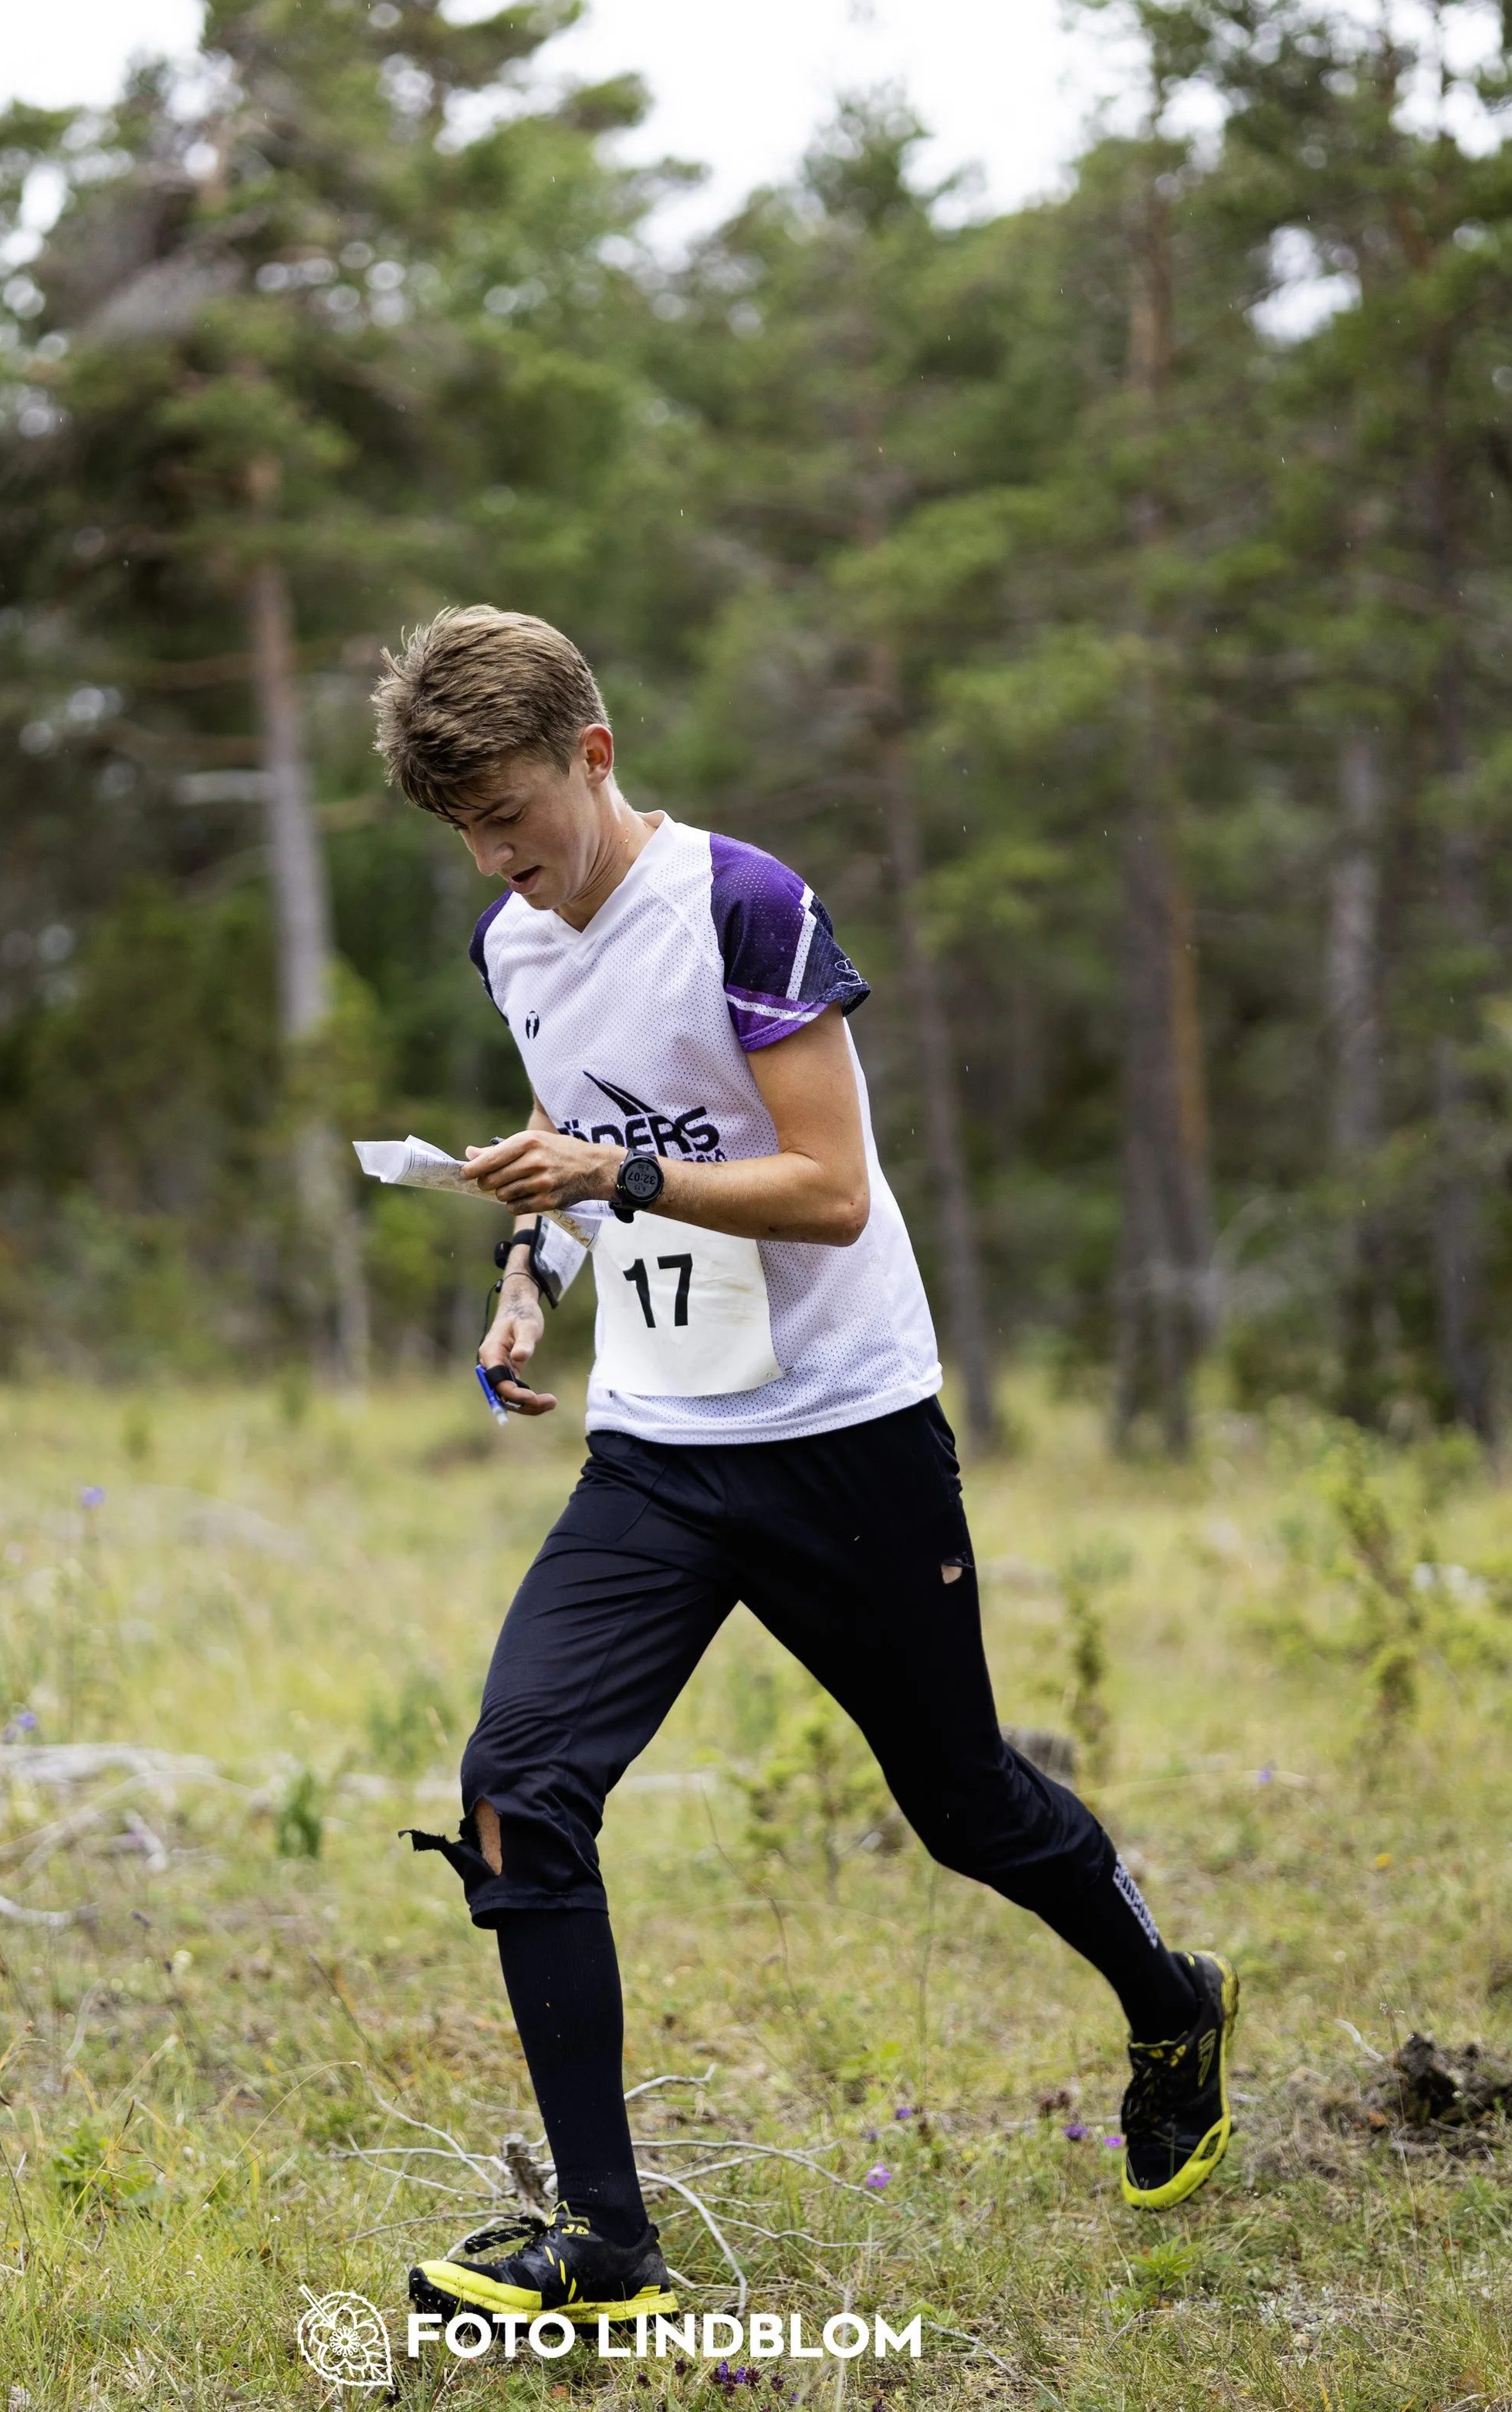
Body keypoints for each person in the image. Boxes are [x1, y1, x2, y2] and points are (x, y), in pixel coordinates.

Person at [370, 606, 1237, 2325]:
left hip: (845, 1434)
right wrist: (525, 1282)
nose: (494, 858)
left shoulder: (743, 902)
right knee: (515, 1791)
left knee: (965, 1804)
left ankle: (1168, 1995)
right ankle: (603, 2246)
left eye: (509, 815)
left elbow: (825, 1188)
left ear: (590, 756)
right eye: (461, 832)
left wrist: (610, 1179)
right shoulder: (514, 944)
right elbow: (582, 1159)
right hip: (663, 1449)